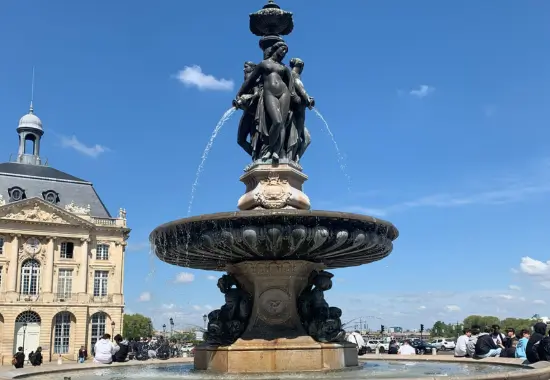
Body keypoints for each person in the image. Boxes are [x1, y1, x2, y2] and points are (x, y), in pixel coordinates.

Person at [235, 41, 296, 162]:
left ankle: (276, 152)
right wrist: (239, 93)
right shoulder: (263, 64)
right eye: (282, 50)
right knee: (277, 122)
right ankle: (269, 149)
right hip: (269, 93)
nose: (284, 53)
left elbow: (292, 86)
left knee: (282, 124)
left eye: (286, 52)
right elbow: (250, 81)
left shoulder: (284, 67)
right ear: (276, 49)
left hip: (284, 93)